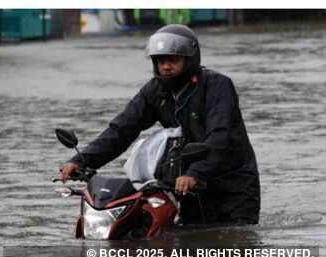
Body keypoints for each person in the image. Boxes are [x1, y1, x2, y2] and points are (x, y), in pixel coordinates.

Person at [60, 24, 260, 225]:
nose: (166, 66)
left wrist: (195, 173)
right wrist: (82, 160)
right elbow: (121, 130)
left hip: (232, 185)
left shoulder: (217, 86)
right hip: (187, 184)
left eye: (173, 60)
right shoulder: (155, 91)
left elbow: (220, 136)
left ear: (190, 60)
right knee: (185, 244)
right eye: (161, 61)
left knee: (233, 245)